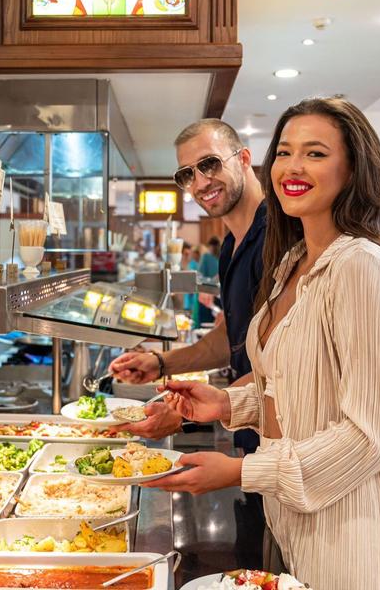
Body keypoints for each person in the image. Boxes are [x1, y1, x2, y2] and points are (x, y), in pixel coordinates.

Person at [145, 97, 380, 589]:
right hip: (292, 519)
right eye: (285, 152)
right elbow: (297, 382)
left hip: (351, 533)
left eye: (315, 153)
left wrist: (241, 471)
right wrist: (228, 403)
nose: (294, 167)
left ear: (352, 167)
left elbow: (370, 435)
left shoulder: (361, 267)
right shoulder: (291, 263)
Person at [109, 119, 266, 454]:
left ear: (243, 158)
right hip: (251, 440)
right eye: (187, 174)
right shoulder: (230, 246)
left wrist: (194, 411)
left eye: (209, 164)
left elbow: (287, 367)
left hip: (289, 448)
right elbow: (232, 336)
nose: (200, 182)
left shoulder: (276, 238)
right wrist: (160, 363)